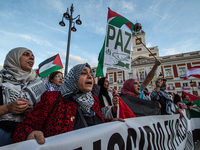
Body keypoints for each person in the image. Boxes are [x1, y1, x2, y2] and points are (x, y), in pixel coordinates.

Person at [12, 63, 124, 144]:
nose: (90, 76)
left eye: (91, 74)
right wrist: (30, 134)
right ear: (72, 78)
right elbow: (22, 129)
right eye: (84, 73)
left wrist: (109, 123)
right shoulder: (52, 98)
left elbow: (94, 124)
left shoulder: (94, 101)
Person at [0, 47, 46, 146]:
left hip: (26, 136)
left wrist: (30, 111)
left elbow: (42, 113)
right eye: (26, 54)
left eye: (33, 56)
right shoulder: (1, 79)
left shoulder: (38, 83)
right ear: (14, 58)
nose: (31, 58)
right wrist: (8, 108)